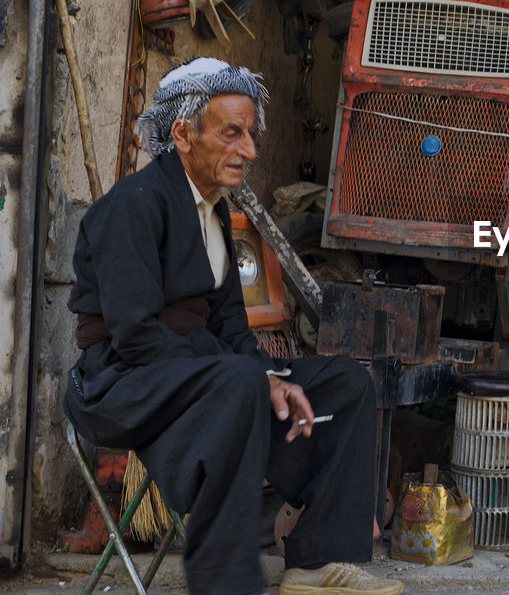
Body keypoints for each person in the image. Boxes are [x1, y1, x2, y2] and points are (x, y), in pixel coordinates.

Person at [63, 58, 403, 595]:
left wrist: (275, 376)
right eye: (232, 133)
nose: (250, 150)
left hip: (200, 375)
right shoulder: (132, 206)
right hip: (119, 382)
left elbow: (230, 328)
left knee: (348, 383)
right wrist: (253, 379)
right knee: (242, 381)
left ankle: (315, 562)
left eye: (249, 133)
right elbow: (135, 336)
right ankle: (226, 582)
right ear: (182, 134)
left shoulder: (214, 213)